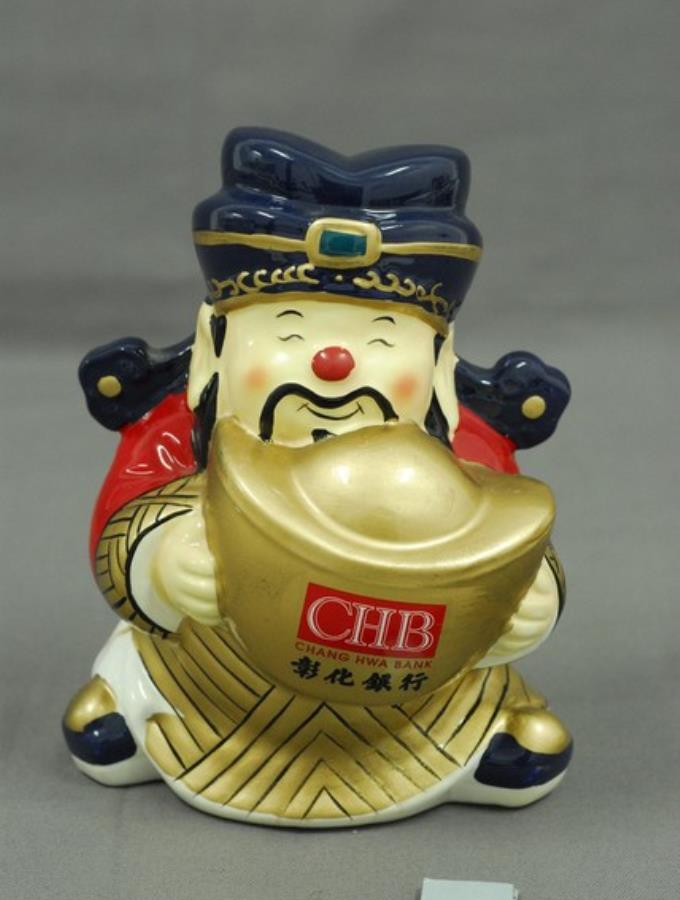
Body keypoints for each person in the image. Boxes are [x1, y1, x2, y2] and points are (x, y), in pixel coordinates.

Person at [63, 129, 572, 825]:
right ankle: (136, 708)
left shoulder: (463, 455)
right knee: (144, 679)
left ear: (437, 364)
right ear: (214, 345)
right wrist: (161, 565)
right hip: (215, 687)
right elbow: (125, 517)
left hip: (410, 698)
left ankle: (476, 739)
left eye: (383, 339)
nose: (334, 365)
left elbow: (512, 534)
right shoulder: (182, 440)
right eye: (289, 332)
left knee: (483, 696)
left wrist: (524, 601)